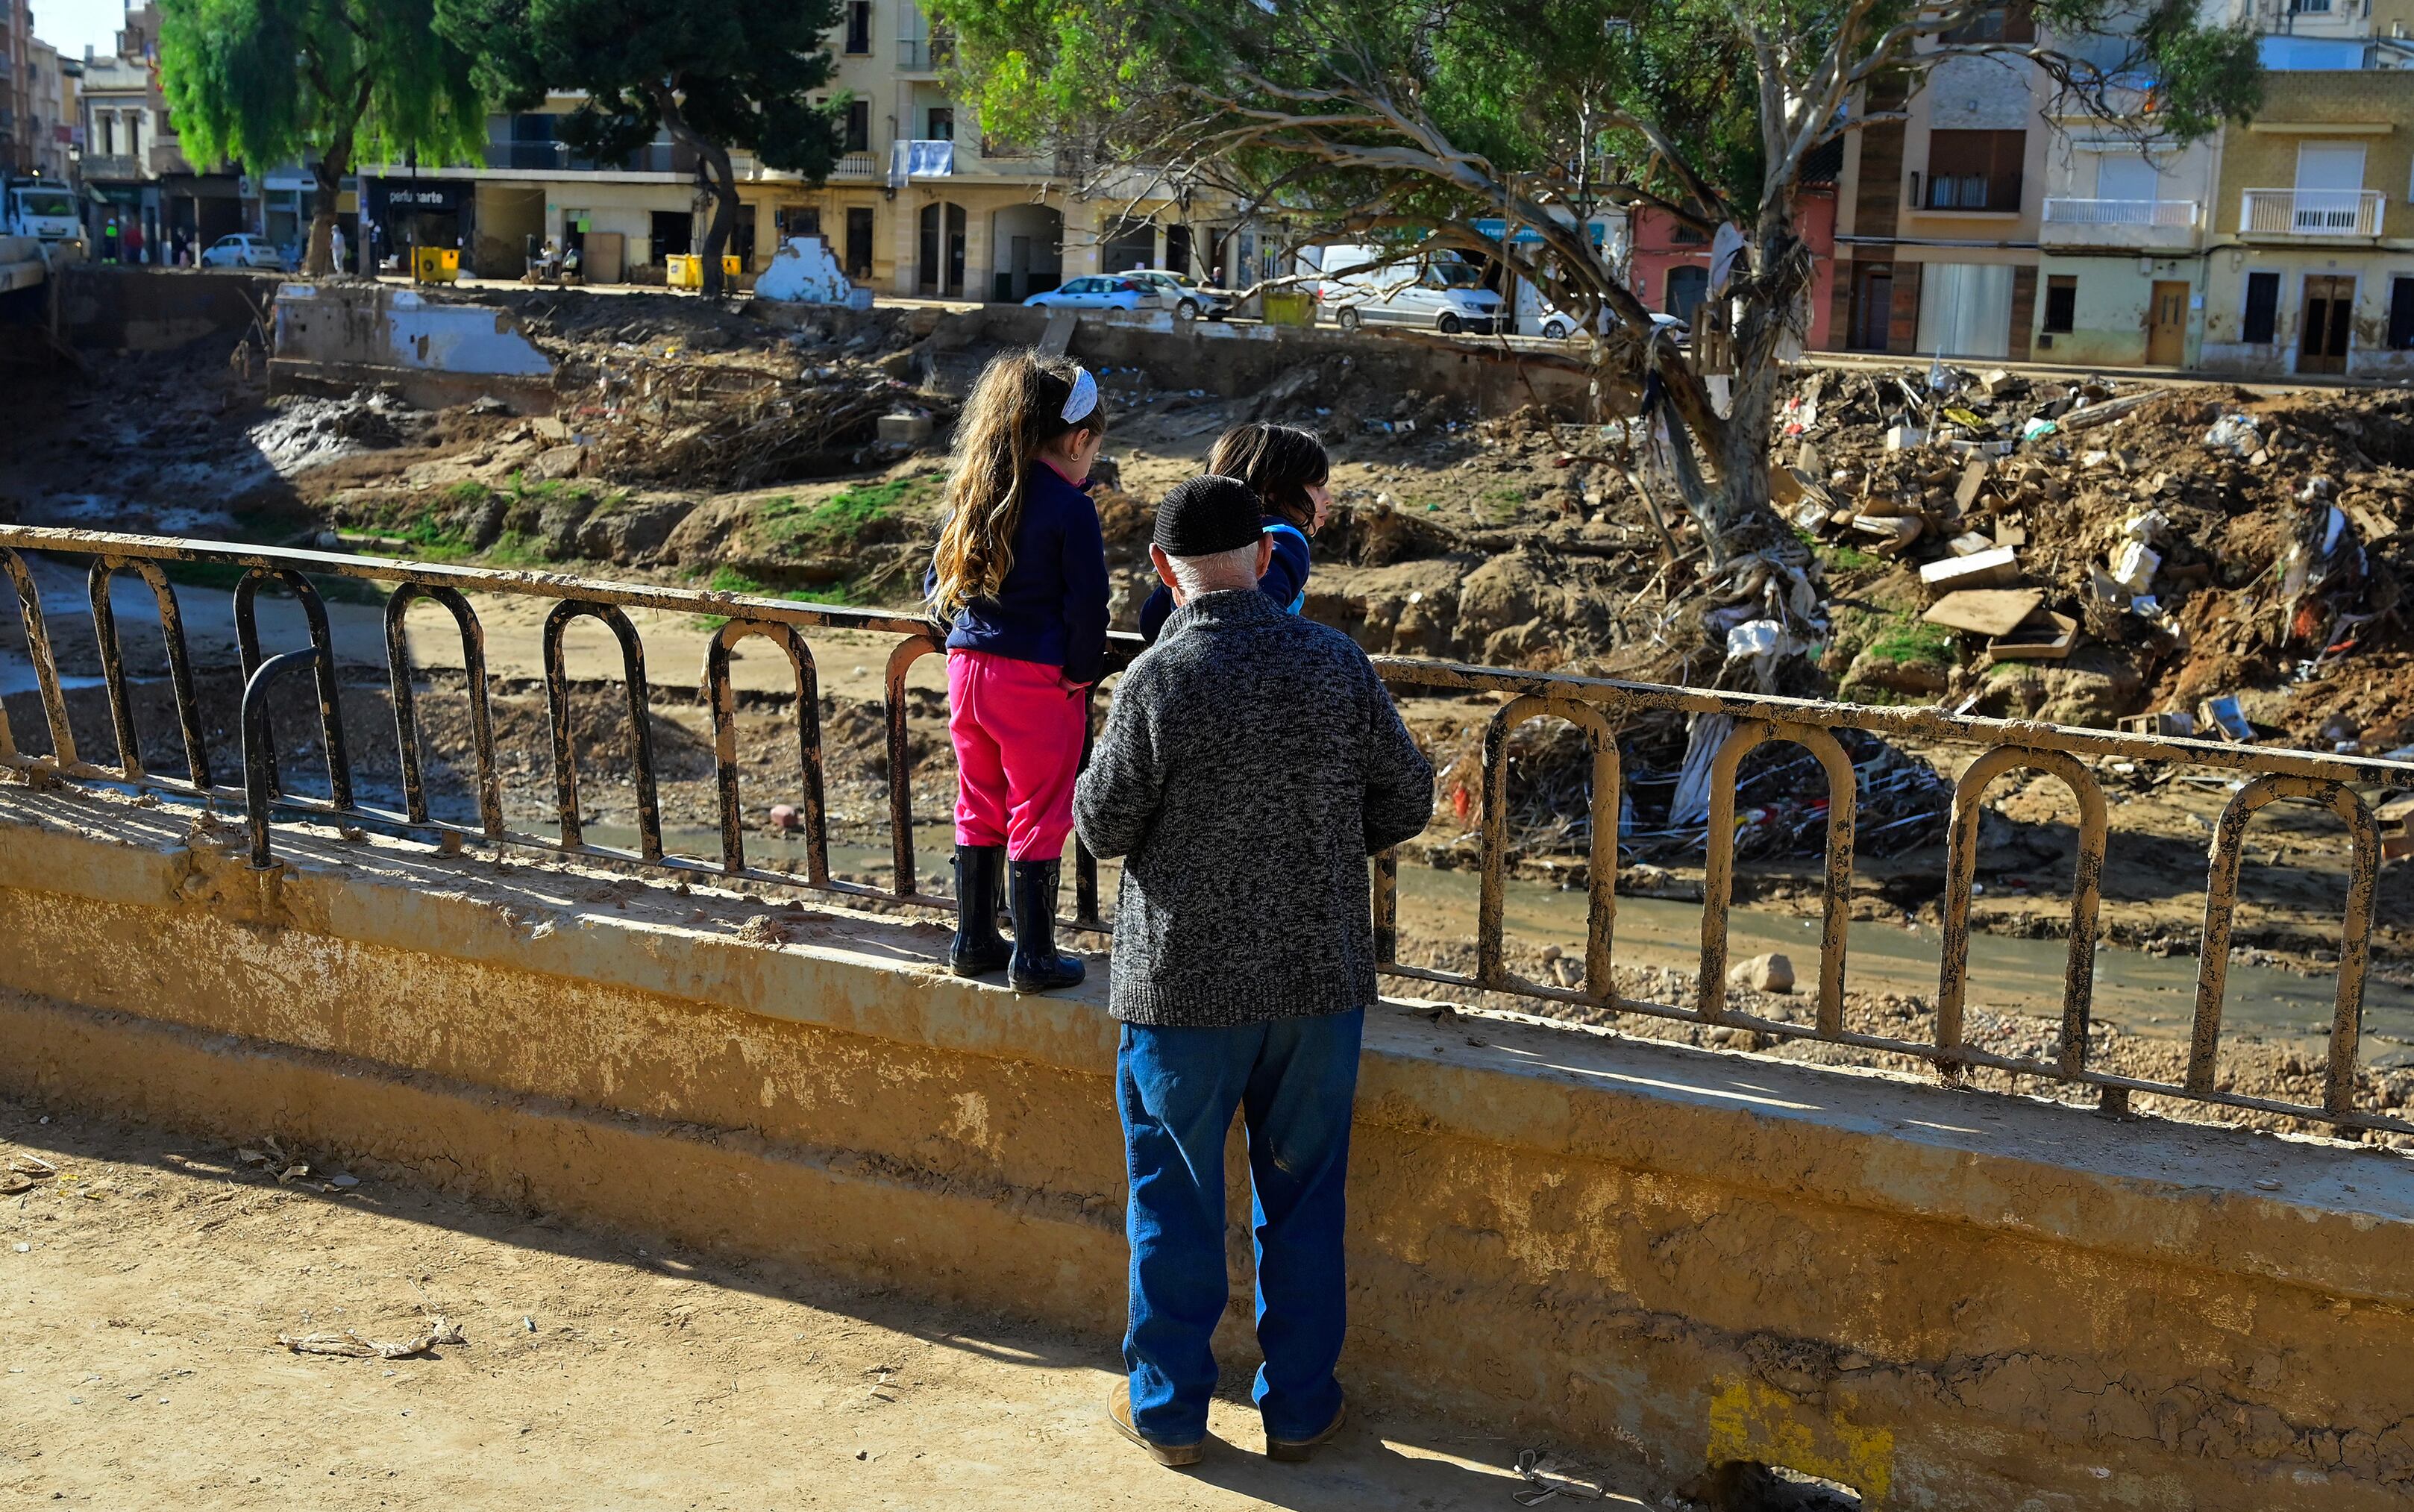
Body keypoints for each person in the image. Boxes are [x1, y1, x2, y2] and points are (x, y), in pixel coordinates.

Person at [1073, 474, 1435, 1469]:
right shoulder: (1334, 661)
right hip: (1317, 984)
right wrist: (1318, 840)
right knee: (1306, 1200)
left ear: (1161, 570)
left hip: (1182, 991)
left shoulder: (1156, 678)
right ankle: (1301, 1408)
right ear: (1266, 558)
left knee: (1174, 1200)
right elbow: (1407, 796)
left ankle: (1172, 1413)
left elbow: (1098, 825)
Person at [925, 350, 1112, 993]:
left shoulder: (977, 491)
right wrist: (1079, 675)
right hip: (1035, 679)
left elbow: (936, 585)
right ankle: (1033, 955)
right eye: (1091, 455)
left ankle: (973, 939)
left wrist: (963, 642)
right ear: (1079, 439)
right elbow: (1089, 605)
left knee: (978, 801)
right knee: (1040, 808)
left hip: (967, 668)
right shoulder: (1071, 509)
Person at [1137, 423, 1329, 643]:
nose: (1328, 499)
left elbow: (1151, 626)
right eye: (1317, 486)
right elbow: (1253, 622)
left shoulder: (1197, 539)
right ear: (1274, 490)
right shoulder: (1284, 538)